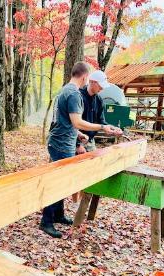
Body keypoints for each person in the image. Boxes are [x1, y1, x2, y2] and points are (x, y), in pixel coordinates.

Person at [39, 62, 121, 239]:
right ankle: (46, 221)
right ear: (85, 77)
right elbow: (76, 121)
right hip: (61, 144)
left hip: (60, 140)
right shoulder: (75, 94)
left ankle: (58, 214)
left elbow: (66, 122)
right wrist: (102, 127)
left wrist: (79, 134)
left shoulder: (64, 90)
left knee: (62, 180)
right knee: (58, 183)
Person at [76, 71, 123, 154]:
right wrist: (78, 145)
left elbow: (102, 122)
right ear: (92, 82)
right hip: (76, 139)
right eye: (100, 85)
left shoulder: (99, 100)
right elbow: (72, 123)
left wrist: (113, 129)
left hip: (90, 140)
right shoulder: (78, 97)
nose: (102, 88)